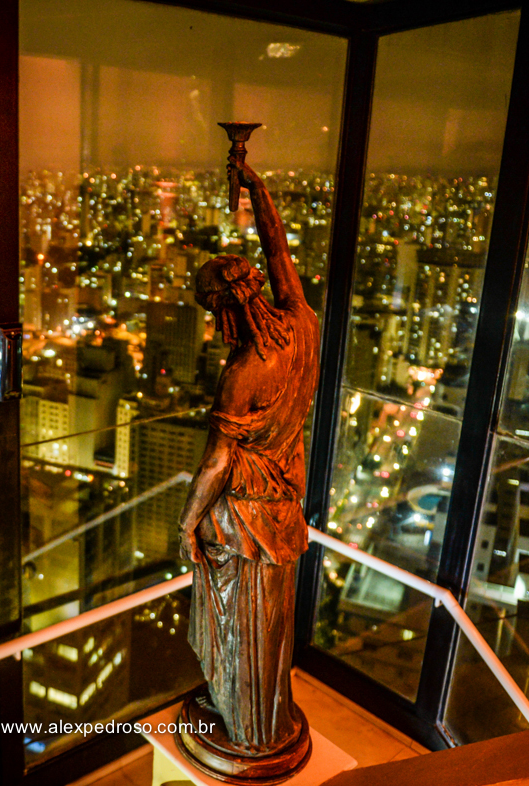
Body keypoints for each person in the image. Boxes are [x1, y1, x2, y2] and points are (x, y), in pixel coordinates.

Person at [177, 158, 320, 756]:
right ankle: (260, 715)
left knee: (240, 619)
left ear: (222, 309)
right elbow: (278, 249)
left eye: (211, 312)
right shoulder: (302, 323)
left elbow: (215, 465)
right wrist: (257, 188)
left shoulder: (242, 372)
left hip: (242, 515)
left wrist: (186, 523)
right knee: (271, 621)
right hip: (284, 505)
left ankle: (248, 728)